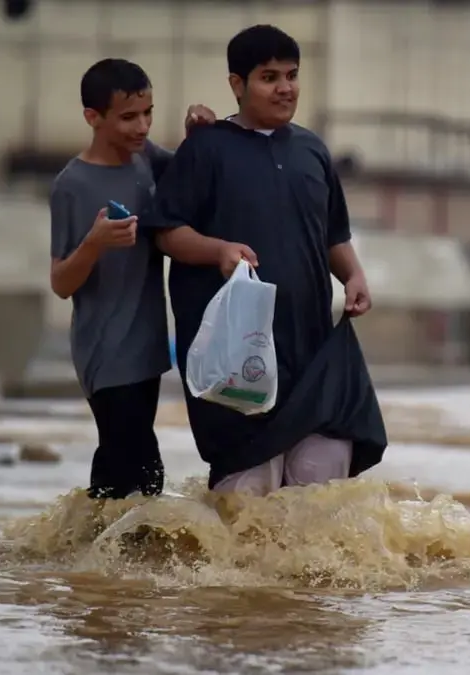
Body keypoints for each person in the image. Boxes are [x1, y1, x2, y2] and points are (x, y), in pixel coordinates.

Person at [153, 24, 387, 496]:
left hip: (313, 352)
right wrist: (218, 250)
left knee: (319, 499)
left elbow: (333, 234)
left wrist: (354, 274)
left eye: (292, 75)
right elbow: (166, 232)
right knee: (246, 503)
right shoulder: (205, 148)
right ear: (237, 85)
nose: (285, 88)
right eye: (269, 77)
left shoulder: (312, 150)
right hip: (237, 355)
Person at [49, 58, 215, 499]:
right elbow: (61, 283)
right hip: (104, 352)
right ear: (93, 117)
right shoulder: (73, 184)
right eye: (128, 117)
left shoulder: (146, 158)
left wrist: (197, 136)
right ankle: (108, 558)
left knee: (117, 472)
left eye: (148, 114)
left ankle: (80, 560)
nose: (141, 126)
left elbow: (189, 176)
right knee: (144, 474)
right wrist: (94, 243)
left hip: (146, 349)